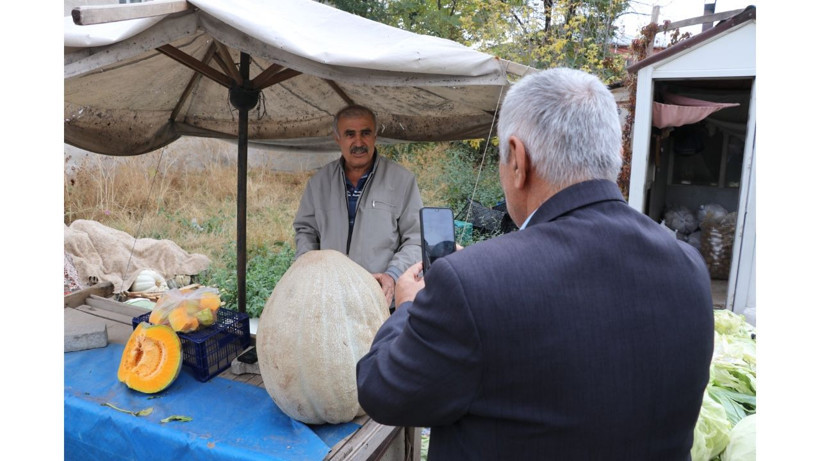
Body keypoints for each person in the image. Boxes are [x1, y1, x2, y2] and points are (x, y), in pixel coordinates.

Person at [356, 68, 715, 460]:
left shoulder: (472, 283)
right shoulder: (689, 266)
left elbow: (383, 391)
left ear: (518, 160)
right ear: (615, 154)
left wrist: (408, 306)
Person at [293, 105, 422, 305]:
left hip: (380, 299)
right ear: (338, 138)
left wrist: (393, 275)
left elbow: (416, 238)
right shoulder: (319, 182)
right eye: (350, 134)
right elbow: (306, 230)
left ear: (375, 136)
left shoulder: (401, 180)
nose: (359, 142)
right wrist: (309, 269)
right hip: (331, 298)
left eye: (365, 133)